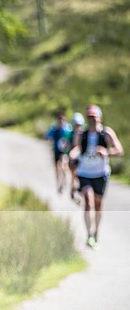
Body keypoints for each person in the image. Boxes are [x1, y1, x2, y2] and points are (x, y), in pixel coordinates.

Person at [68, 104, 124, 249]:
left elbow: (119, 150)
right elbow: (76, 148)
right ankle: (89, 235)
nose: (92, 120)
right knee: (88, 201)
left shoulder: (106, 133)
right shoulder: (81, 134)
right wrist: (73, 155)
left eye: (94, 117)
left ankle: (96, 233)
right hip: (84, 172)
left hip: (100, 173)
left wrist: (107, 152)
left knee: (98, 205)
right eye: (89, 117)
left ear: (100, 118)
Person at [45, 111, 73, 194]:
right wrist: (49, 141)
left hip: (64, 151)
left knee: (63, 164)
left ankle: (64, 180)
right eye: (59, 119)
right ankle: (59, 184)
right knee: (57, 168)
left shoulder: (68, 129)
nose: (61, 121)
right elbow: (48, 136)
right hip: (56, 150)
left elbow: (72, 138)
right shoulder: (54, 129)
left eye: (62, 119)